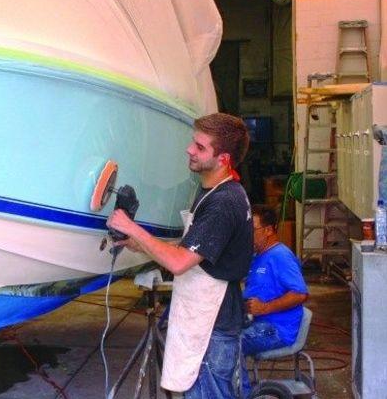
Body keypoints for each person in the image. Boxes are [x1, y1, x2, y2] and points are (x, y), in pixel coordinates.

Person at [107, 112, 252, 398]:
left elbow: (180, 262)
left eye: (200, 147)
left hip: (212, 325)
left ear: (222, 159)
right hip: (211, 318)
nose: (189, 149)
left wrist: (131, 228)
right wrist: (143, 245)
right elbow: (193, 250)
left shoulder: (223, 202)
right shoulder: (216, 191)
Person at [243, 205, 309, 356]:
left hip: (275, 328)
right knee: (220, 337)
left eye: (253, 230)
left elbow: (300, 294)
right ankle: (236, 380)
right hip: (258, 322)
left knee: (231, 345)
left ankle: (240, 381)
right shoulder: (257, 257)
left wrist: (264, 308)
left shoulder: (280, 256)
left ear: (268, 230)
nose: (248, 235)